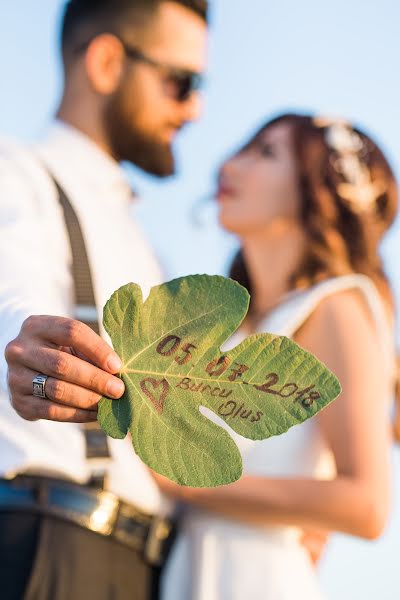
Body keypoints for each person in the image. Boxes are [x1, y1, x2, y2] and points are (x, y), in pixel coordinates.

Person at [0, 1, 208, 599]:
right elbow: (12, 291)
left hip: (149, 567)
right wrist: (28, 349)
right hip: (52, 544)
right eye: (182, 83)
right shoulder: (18, 172)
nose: (195, 109)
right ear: (108, 62)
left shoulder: (147, 245)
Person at [154, 113, 399, 600]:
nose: (230, 164)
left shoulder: (336, 309)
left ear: (318, 190)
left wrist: (187, 485)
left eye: (264, 153)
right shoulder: (231, 328)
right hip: (187, 569)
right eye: (244, 147)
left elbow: (366, 504)